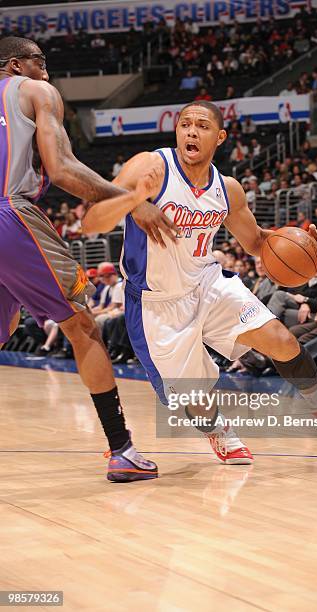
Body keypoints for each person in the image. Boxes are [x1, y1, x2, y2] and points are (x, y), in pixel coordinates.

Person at [83, 100, 317, 479]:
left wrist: (307, 247)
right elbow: (92, 221)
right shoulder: (151, 166)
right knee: (196, 402)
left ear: (219, 137)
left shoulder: (228, 189)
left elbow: (257, 242)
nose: (191, 131)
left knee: (281, 339)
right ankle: (217, 428)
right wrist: (132, 201)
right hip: (156, 303)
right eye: (185, 124)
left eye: (202, 126)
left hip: (207, 284)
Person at [0, 36, 178, 483]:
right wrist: (131, 199)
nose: (48, 70)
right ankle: (122, 450)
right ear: (18, 65)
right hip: (9, 215)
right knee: (81, 325)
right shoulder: (35, 91)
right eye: (41, 61)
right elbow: (60, 169)